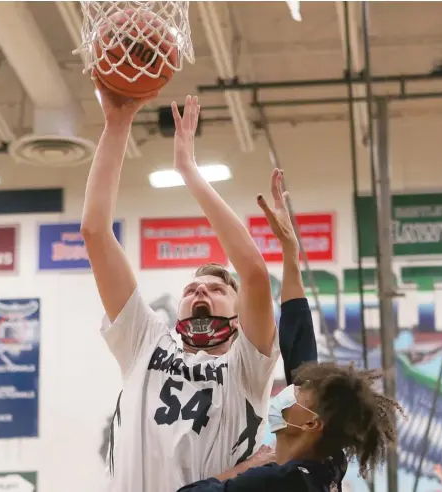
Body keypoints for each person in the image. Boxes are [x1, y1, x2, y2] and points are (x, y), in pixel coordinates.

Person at [81, 85, 314, 492]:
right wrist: (117, 125)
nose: (199, 293)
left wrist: (188, 170)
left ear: (240, 316)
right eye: (191, 290)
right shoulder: (145, 343)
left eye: (216, 289)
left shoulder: (247, 365)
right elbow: (95, 232)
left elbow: (255, 273)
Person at [178, 178, 407, 492]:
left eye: (299, 396)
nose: (289, 392)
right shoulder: (326, 461)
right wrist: (290, 255)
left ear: (311, 422)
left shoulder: (277, 481)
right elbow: (300, 349)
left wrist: (245, 469)